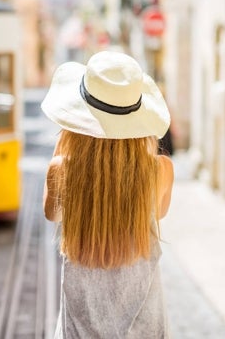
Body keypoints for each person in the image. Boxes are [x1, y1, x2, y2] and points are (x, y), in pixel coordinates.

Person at [41, 51, 174, 338]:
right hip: (145, 328)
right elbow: (159, 212)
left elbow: (51, 212)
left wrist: (65, 144)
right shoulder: (161, 170)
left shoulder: (62, 170)